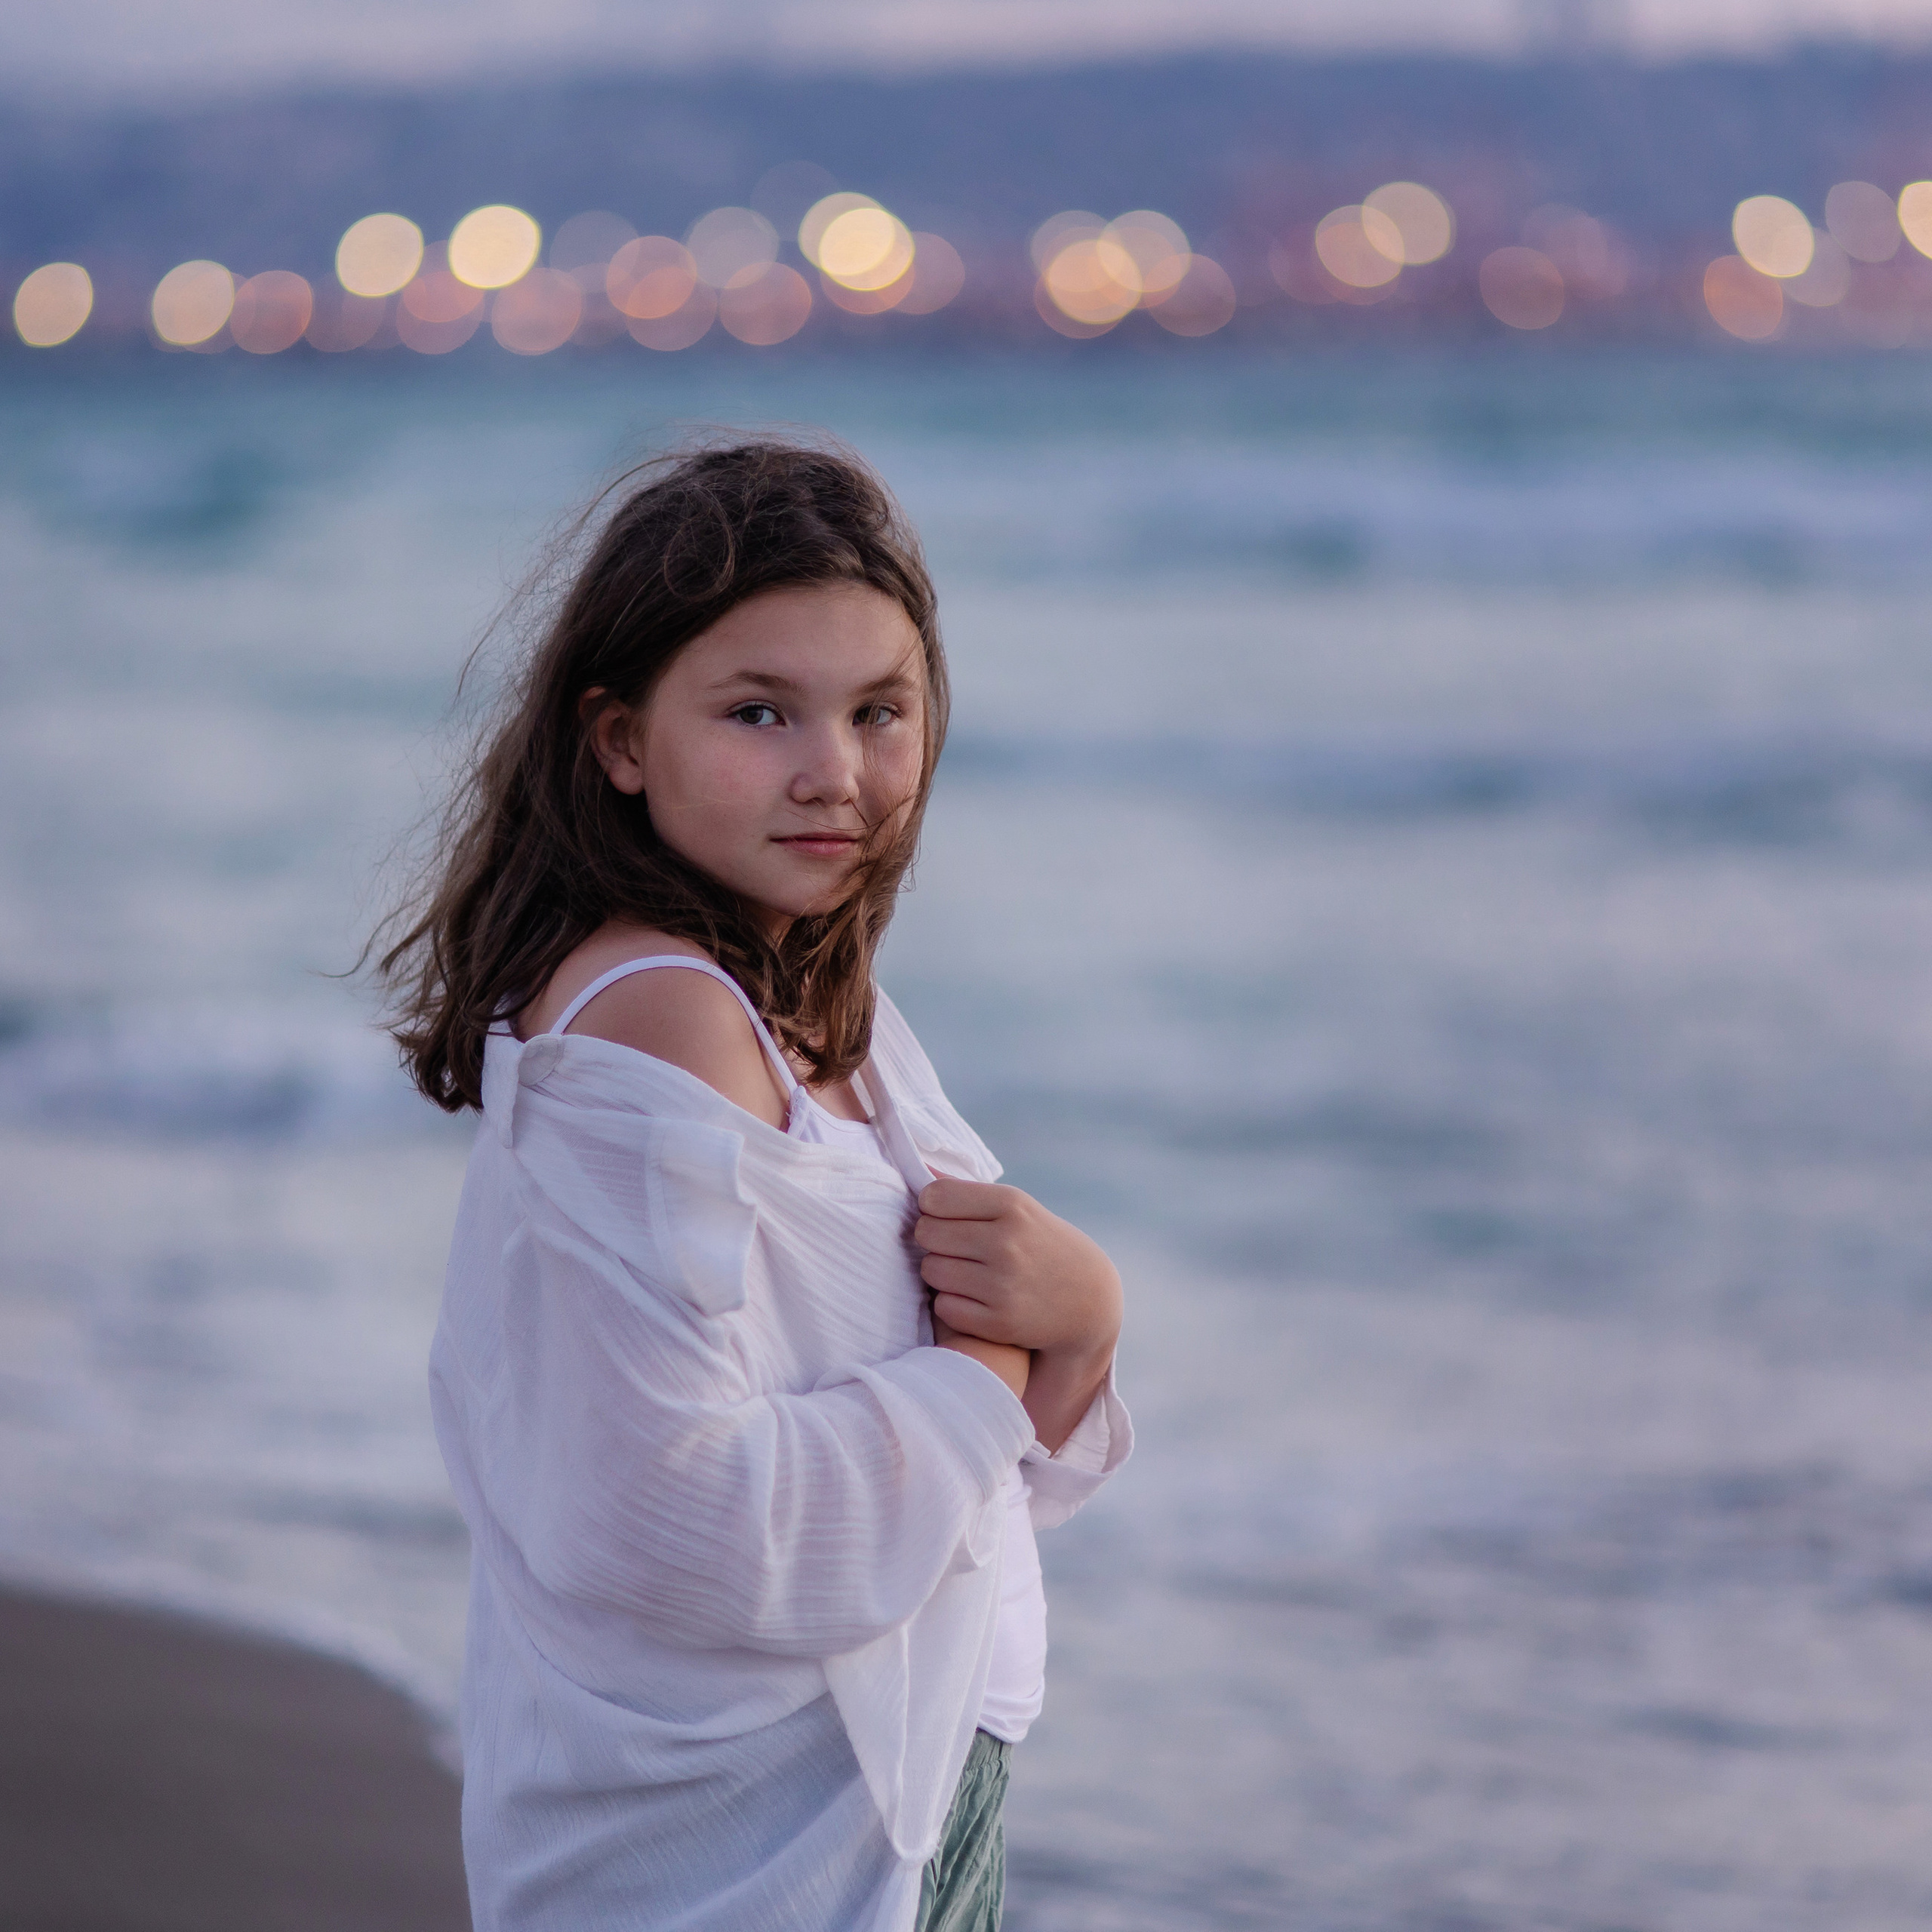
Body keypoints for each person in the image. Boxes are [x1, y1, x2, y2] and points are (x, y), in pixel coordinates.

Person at [377, 439, 1131, 1932]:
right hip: (740, 1857)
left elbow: (988, 1487)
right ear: (618, 739)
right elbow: (672, 1518)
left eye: (878, 712)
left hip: (882, 1805)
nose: (834, 773)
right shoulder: (659, 1017)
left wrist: (1083, 1320)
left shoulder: (816, 1009)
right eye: (759, 710)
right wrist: (1003, 1346)